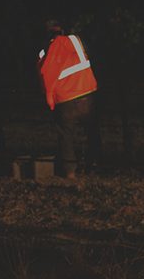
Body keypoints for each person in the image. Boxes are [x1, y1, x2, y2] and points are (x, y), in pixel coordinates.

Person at [37, 19, 102, 179]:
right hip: (87, 93)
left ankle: (70, 172)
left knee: (66, 135)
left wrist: (50, 100)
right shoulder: (76, 41)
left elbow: (44, 75)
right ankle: (93, 166)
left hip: (65, 99)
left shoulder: (44, 51)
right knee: (92, 132)